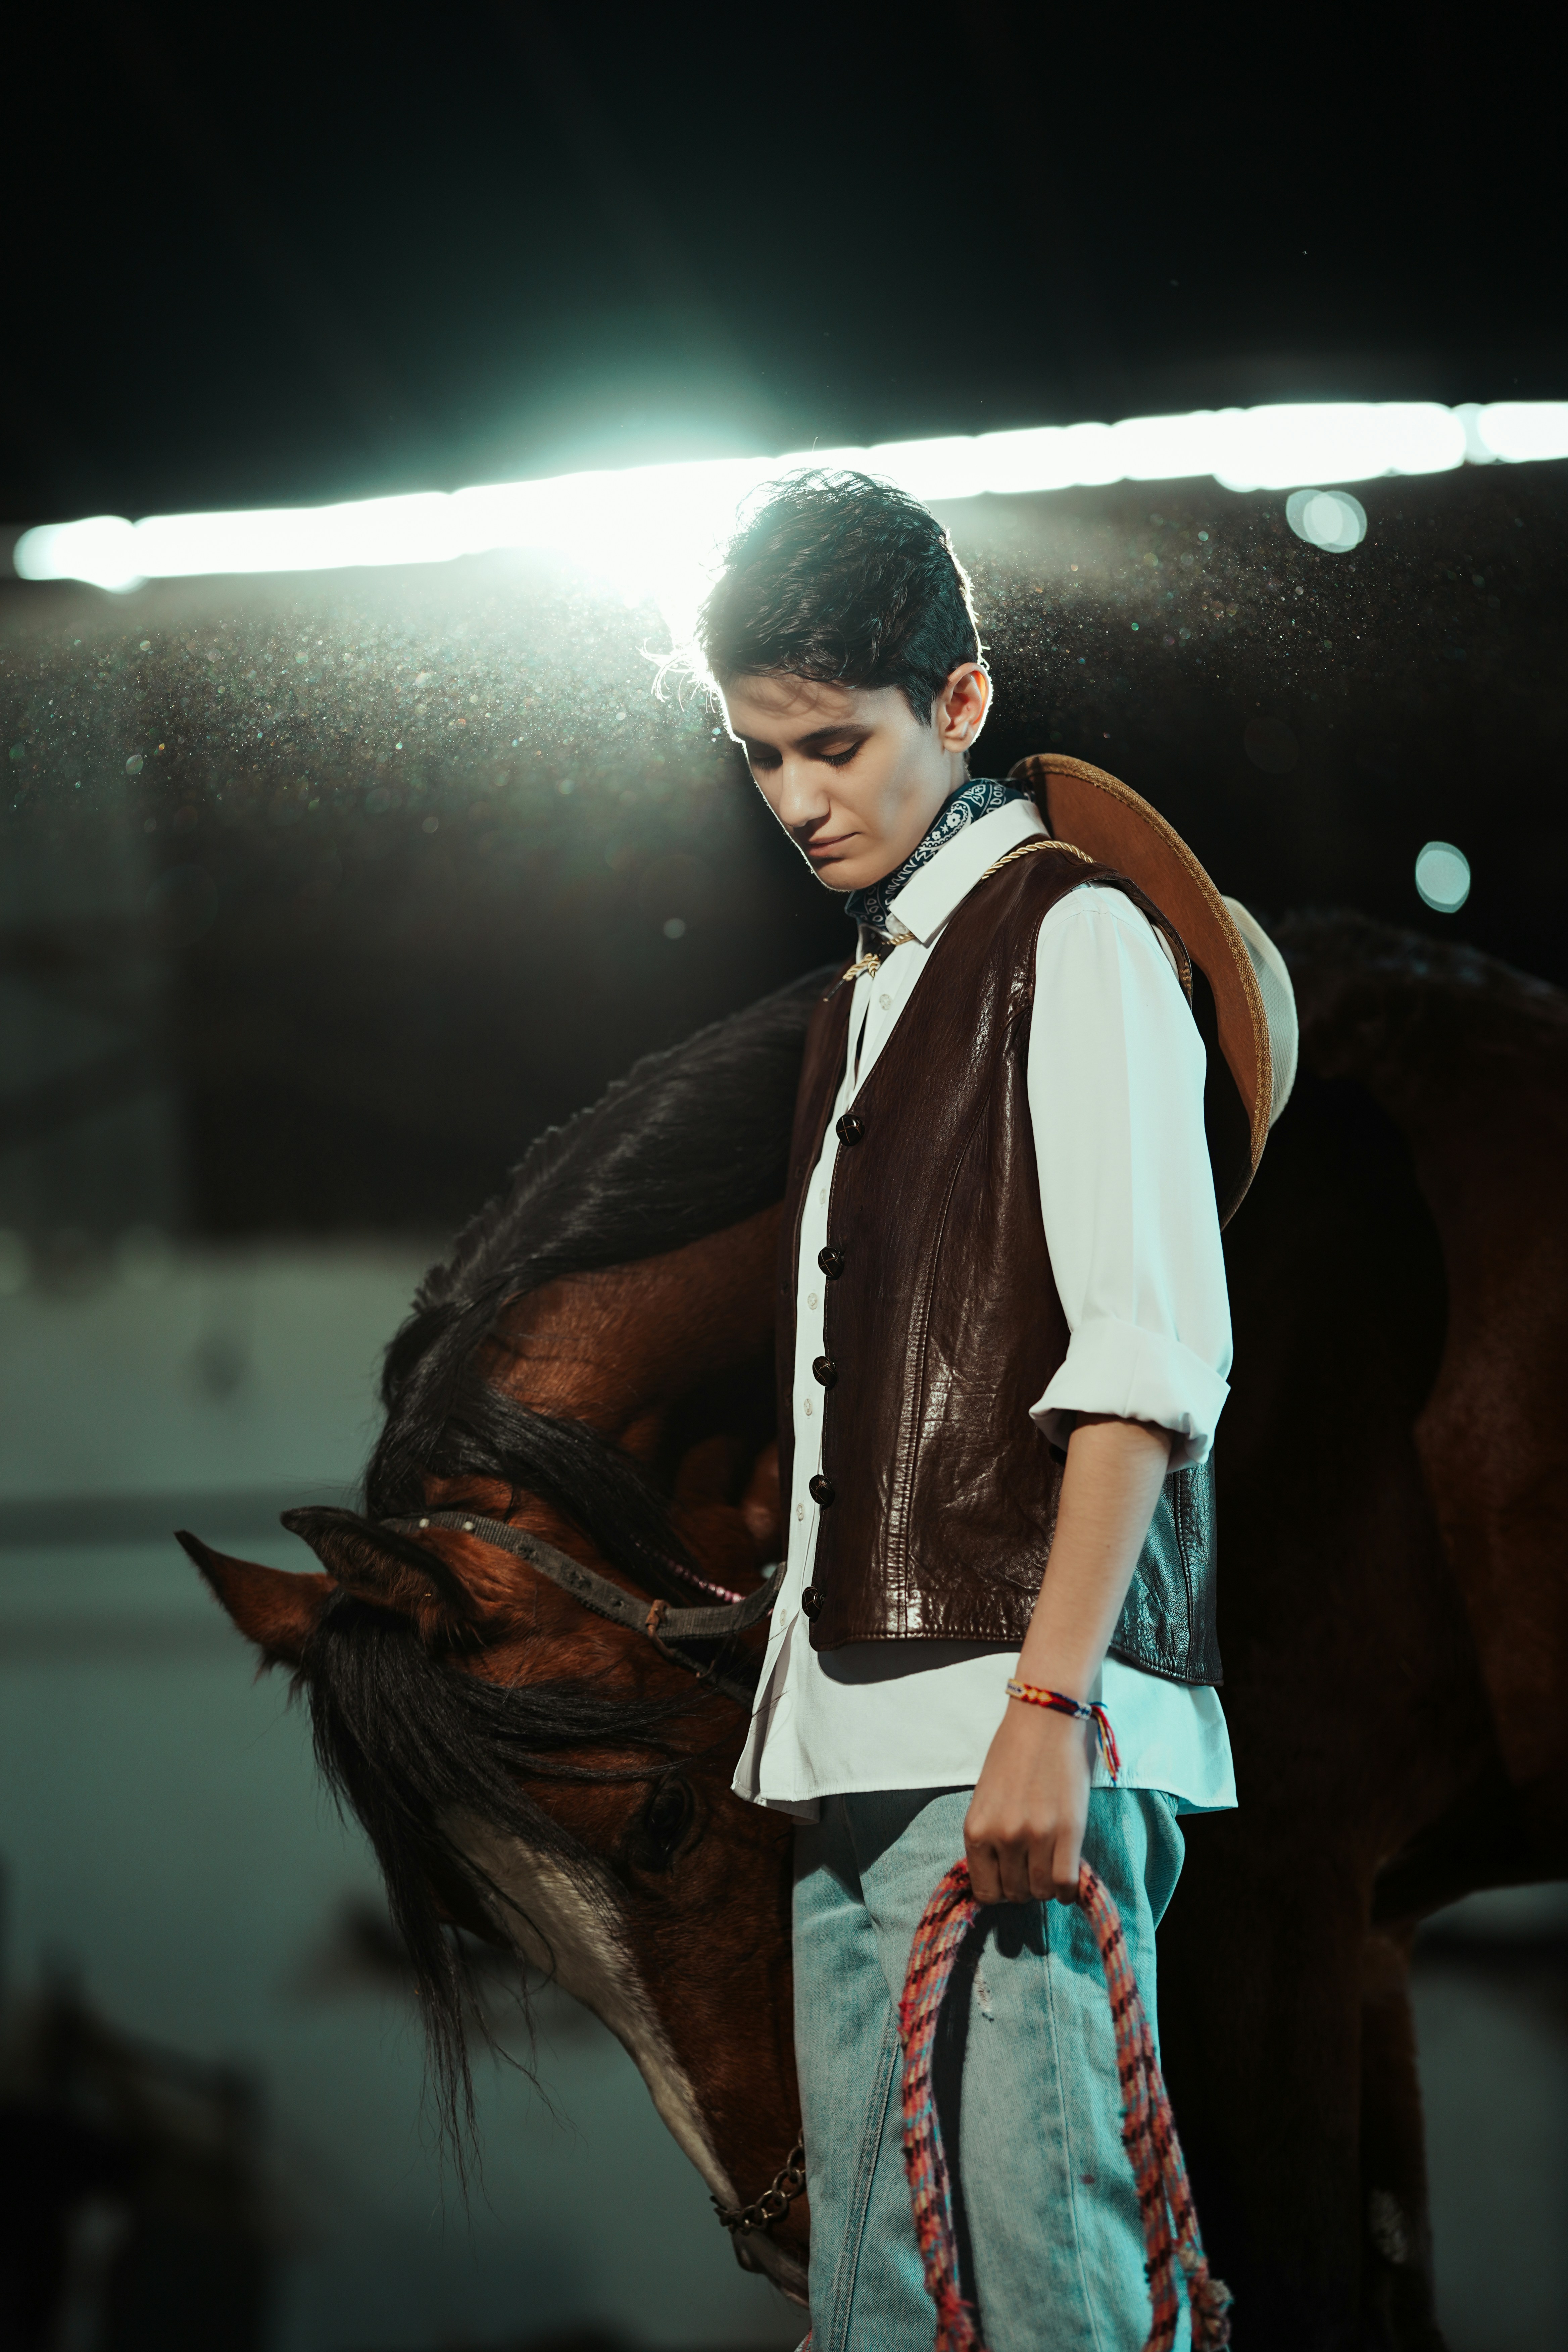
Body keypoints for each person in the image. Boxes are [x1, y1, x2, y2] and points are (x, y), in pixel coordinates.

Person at [690, 471, 1235, 2352]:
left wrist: (1049, 1710)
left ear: (965, 706)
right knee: (872, 2314)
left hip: (1013, 1720)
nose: (796, 802)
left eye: (834, 748)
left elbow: (1148, 1367)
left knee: (1052, 2294)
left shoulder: (1071, 939)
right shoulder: (867, 995)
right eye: (760, 757)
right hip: (850, 1739)